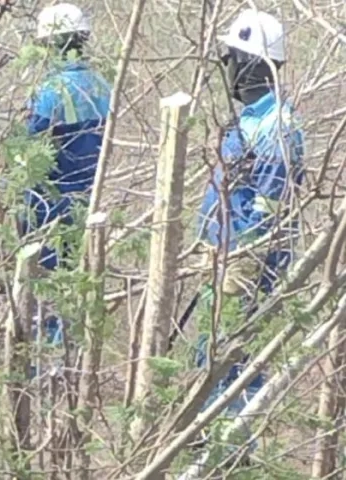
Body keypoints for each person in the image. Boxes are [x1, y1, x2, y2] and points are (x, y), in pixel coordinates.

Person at [192, 8, 304, 453]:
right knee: (211, 354)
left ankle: (234, 453)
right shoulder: (253, 120)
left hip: (245, 258)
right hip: (225, 250)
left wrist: (242, 264)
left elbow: (269, 208)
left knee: (232, 357)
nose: (228, 66)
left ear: (252, 63)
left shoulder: (274, 125)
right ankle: (212, 443)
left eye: (233, 57)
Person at [20, 3, 111, 375]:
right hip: (86, 203)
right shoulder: (102, 86)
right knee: (72, 290)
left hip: (48, 205)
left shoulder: (49, 91)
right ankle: (68, 365)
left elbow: (29, 153)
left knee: (43, 298)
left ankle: (43, 371)